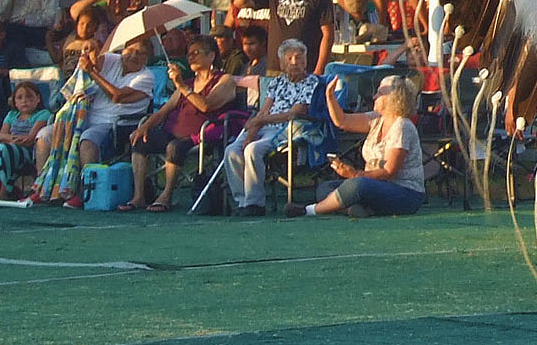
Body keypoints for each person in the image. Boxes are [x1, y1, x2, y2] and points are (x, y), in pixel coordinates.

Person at [29, 39, 155, 206]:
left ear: (147, 58)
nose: (134, 55)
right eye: (130, 50)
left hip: (115, 124)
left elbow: (117, 96)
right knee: (45, 135)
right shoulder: (112, 59)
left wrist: (92, 73)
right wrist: (91, 46)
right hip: (84, 116)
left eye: (140, 53)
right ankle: (44, 186)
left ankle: (84, 191)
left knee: (87, 138)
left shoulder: (145, 77)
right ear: (122, 51)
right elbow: (96, 59)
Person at [128, 35, 237, 212]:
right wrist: (144, 127)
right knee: (140, 141)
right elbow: (164, 111)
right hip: (172, 130)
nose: (190, 57)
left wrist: (182, 86)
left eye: (196, 53)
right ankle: (139, 196)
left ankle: (167, 195)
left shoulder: (224, 80)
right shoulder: (188, 83)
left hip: (201, 135)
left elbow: (206, 105)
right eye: (188, 54)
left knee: (174, 147)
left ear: (211, 56)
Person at [296, 72, 425, 218]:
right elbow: (342, 121)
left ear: (393, 98)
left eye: (379, 93)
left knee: (358, 185)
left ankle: (310, 210)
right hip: (375, 186)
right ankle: (354, 210)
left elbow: (389, 172)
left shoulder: (402, 126)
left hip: (404, 193)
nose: (374, 96)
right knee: (325, 188)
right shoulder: (376, 119)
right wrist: (330, 97)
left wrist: (354, 174)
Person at [222, 39, 321, 217]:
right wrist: (251, 132)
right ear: (282, 63)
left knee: (253, 149)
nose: (294, 63)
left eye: (299, 58)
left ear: (306, 61)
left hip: (288, 128)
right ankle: (242, 201)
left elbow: (296, 112)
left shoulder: (312, 82)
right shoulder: (277, 82)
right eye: (289, 58)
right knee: (232, 150)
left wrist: (259, 122)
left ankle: (255, 204)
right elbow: (264, 109)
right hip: (265, 126)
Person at [0, 79, 53, 200]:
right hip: (11, 146)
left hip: (29, 152)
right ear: (14, 102)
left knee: (6, 150)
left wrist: (7, 139)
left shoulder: (43, 114)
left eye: (29, 97)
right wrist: (12, 138)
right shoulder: (11, 115)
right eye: (19, 98)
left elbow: (29, 139)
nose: (24, 101)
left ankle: (5, 191)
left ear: (38, 98)